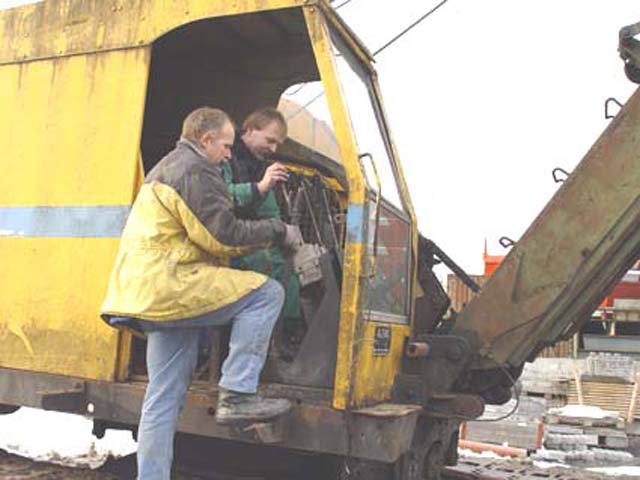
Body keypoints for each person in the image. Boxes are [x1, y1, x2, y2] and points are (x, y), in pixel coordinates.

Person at [101, 107, 303, 480]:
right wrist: (278, 231)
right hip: (173, 286)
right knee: (267, 294)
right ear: (206, 140)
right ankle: (238, 393)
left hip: (152, 291)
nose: (229, 154)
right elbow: (222, 235)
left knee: (162, 399)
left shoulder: (168, 166)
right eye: (225, 145)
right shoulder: (195, 169)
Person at [221, 107, 304, 357]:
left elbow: (269, 212)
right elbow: (219, 200)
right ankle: (249, 349)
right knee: (263, 263)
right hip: (225, 237)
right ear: (249, 130)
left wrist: (285, 233)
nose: (274, 149)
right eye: (270, 140)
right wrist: (259, 187)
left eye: (277, 144)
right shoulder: (224, 157)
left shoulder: (262, 166)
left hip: (251, 237)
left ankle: (286, 335)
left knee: (289, 268)